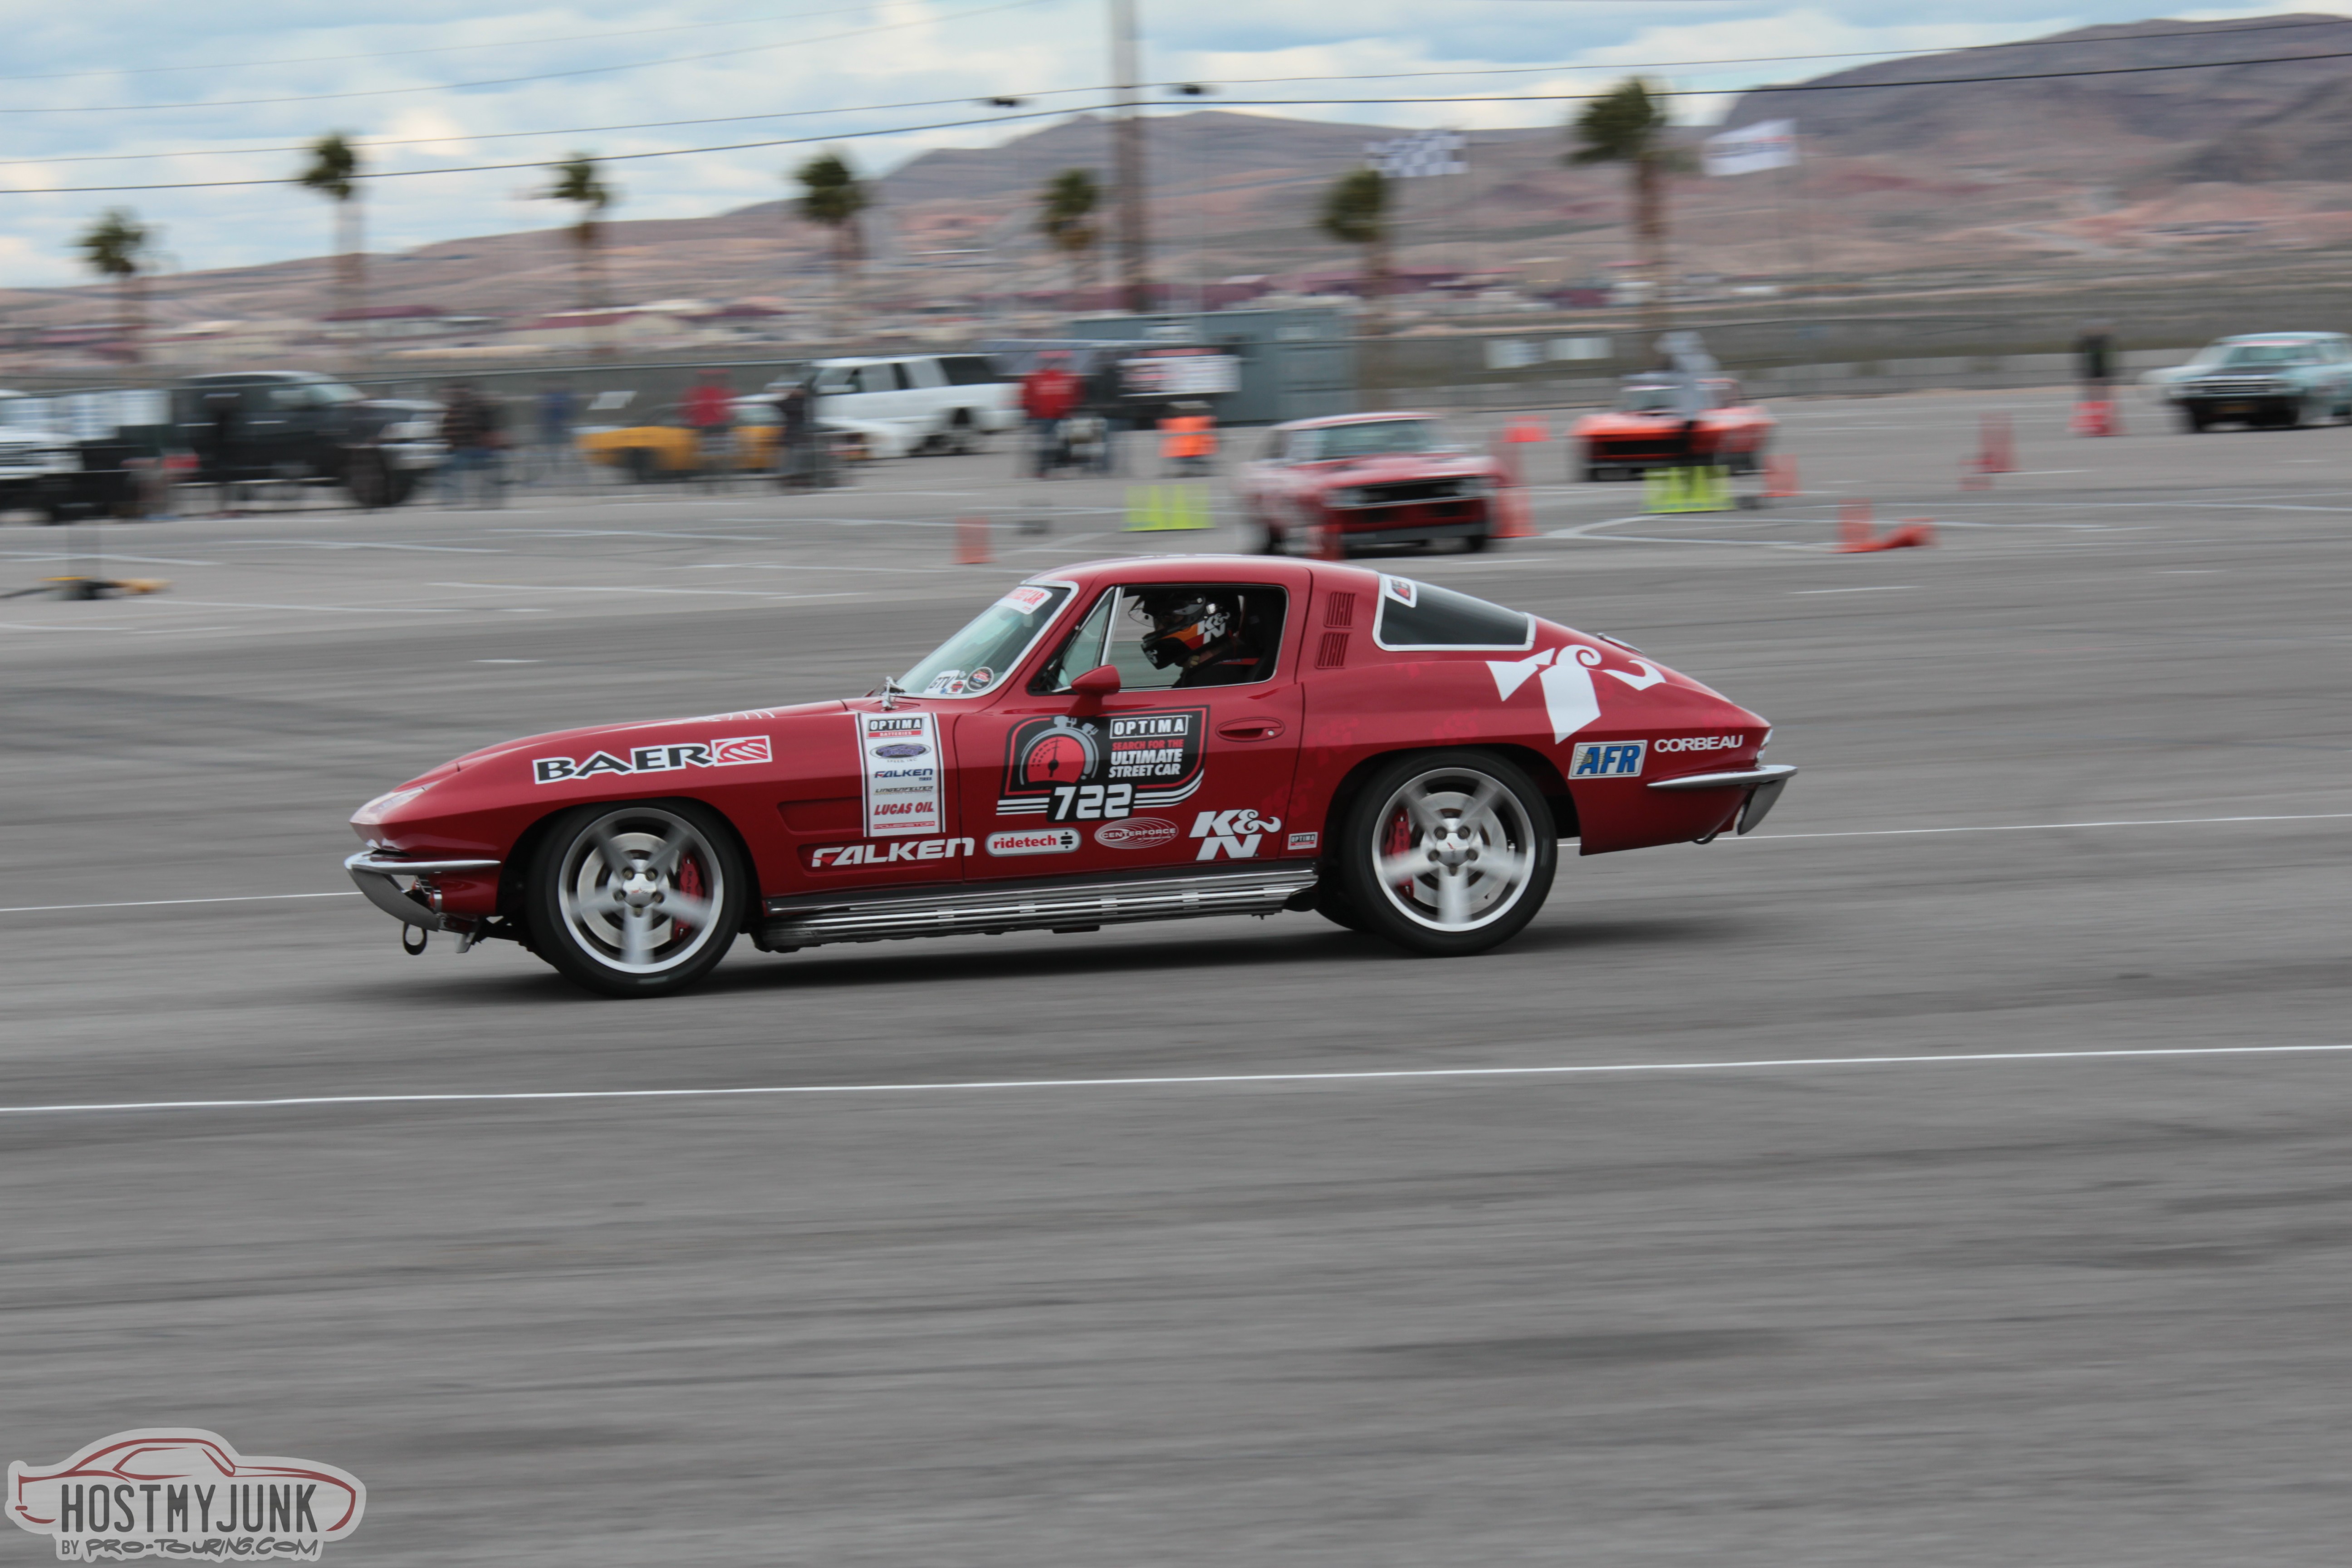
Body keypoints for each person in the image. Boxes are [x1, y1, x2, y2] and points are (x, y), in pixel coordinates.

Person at [1137, 588, 1266, 688]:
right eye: (1157, 622)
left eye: (1169, 619)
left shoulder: (1212, 680)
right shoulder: (1226, 668)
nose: (1159, 630)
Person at [437, 382, 501, 508]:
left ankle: (459, 497)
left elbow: (486, 430)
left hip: (473, 451)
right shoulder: (453, 411)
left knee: (454, 466)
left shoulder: (475, 410)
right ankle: (455, 498)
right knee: (448, 467)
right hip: (462, 451)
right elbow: (446, 433)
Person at [1020, 353, 1080, 477]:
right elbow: (1026, 398)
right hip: (1045, 417)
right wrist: (1031, 411)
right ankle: (1044, 468)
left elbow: (1076, 396)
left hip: (1061, 417)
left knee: (1064, 442)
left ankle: (1058, 463)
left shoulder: (1068, 377)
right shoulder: (1035, 378)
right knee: (1047, 444)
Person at [684, 372, 735, 486]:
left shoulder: (698, 393)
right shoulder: (715, 393)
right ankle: (720, 480)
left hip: (711, 430)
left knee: (713, 457)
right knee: (716, 457)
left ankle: (714, 479)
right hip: (713, 430)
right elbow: (725, 413)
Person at [531, 380, 575, 487]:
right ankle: (555, 463)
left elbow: (541, 416)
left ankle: (554, 463)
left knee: (553, 448)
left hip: (552, 428)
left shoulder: (546, 403)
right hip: (554, 428)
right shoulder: (557, 402)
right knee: (555, 448)